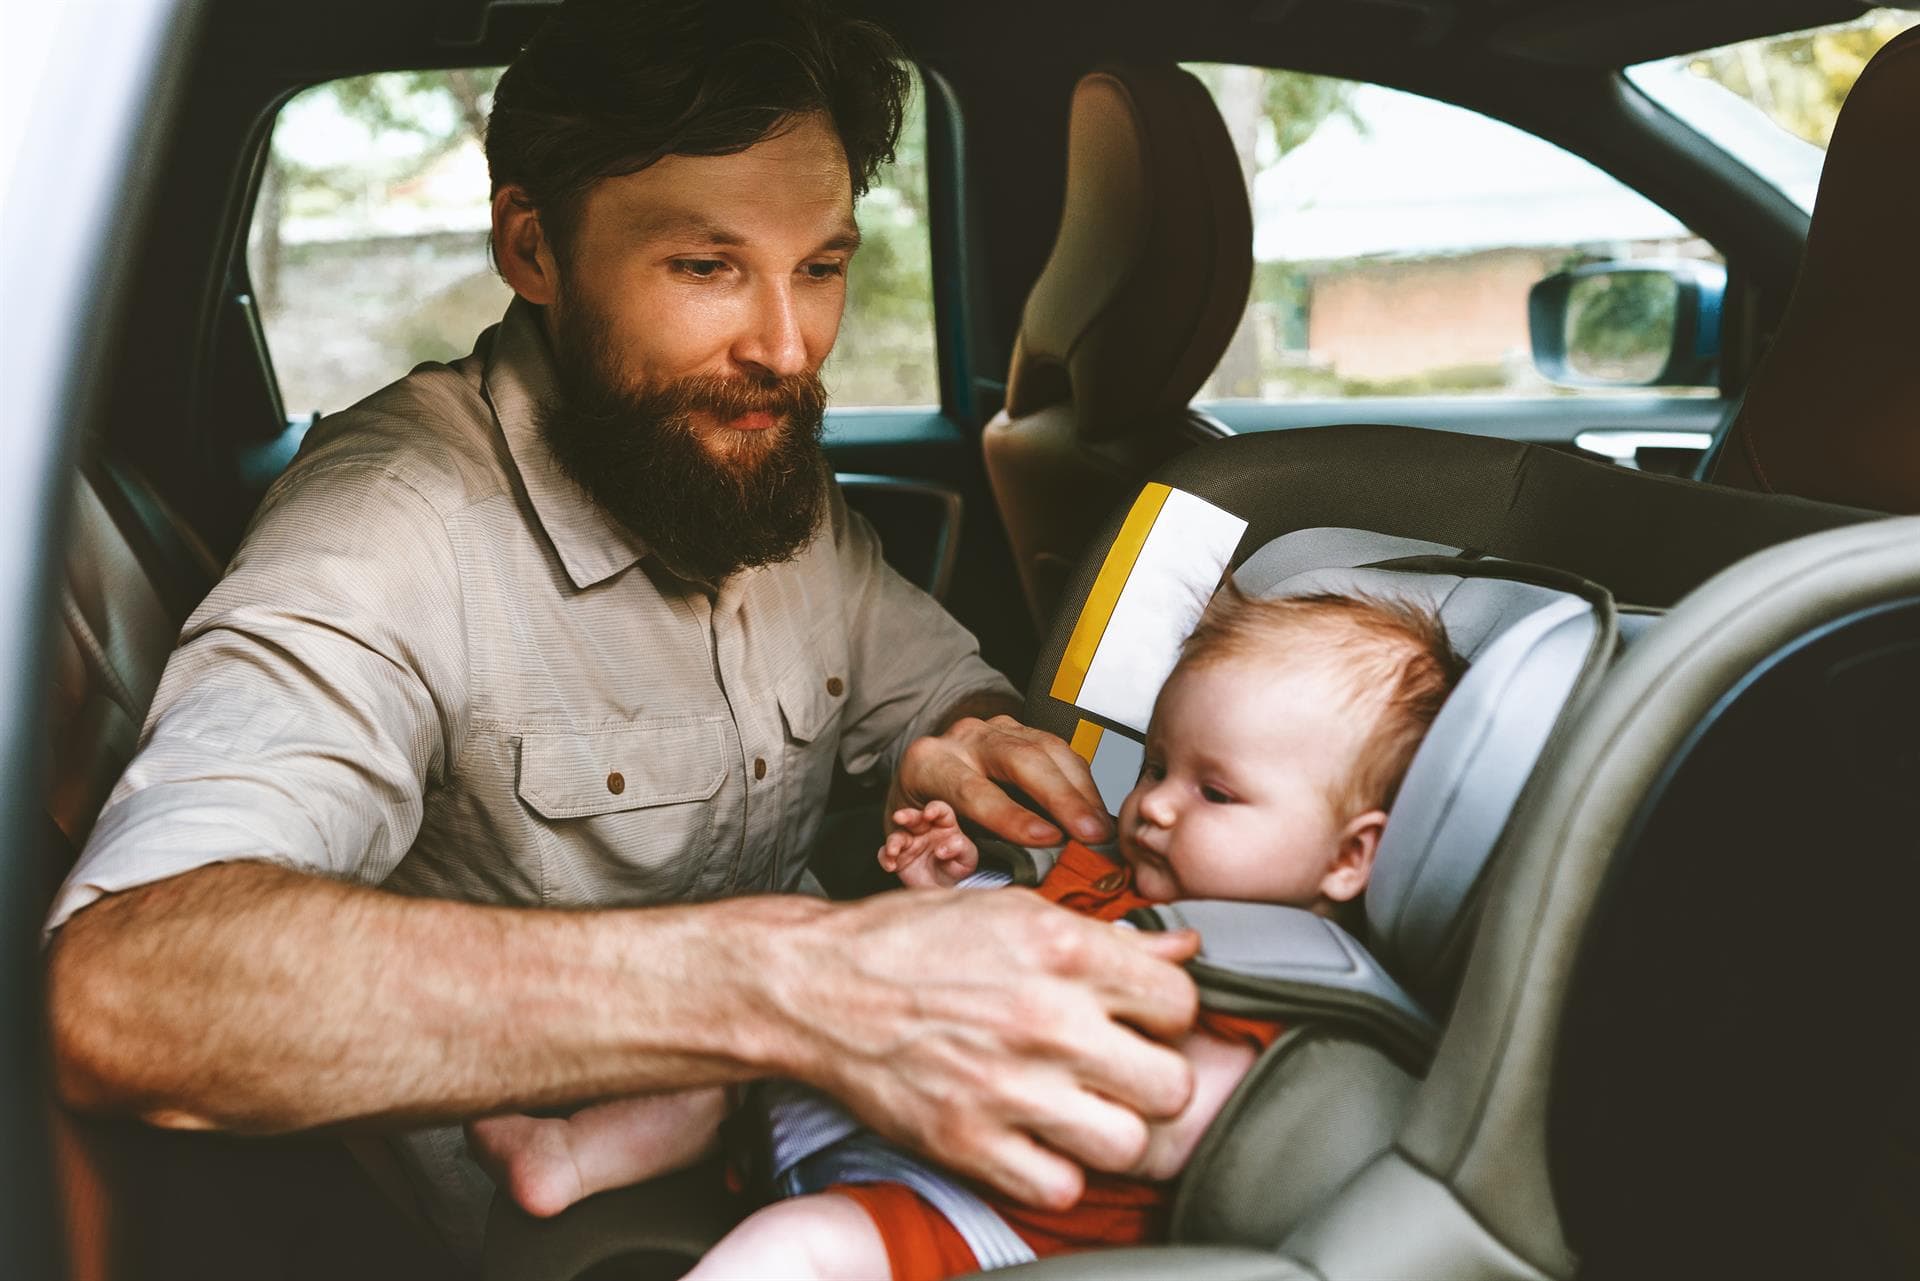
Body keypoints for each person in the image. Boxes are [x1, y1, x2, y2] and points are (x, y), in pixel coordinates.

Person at [41, 0, 1201, 1263]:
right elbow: (125, 992)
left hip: (797, 1147)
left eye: (819, 266)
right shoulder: (387, 533)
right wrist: (792, 989)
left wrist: (961, 741)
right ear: (534, 250)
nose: (785, 347)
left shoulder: (745, 454)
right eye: (706, 267)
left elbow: (922, 690)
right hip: (565, 1229)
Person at [472, 587, 1467, 1278]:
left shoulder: (1273, 995)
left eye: (1214, 791)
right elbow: (947, 978)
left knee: (796, 1255)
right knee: (753, 1010)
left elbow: (1169, 1125)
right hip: (868, 1102)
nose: (1155, 806)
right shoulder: (1107, 875)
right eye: (1158, 765)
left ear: (1351, 855)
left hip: (980, 1217)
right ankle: (572, 1157)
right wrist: (937, 893)